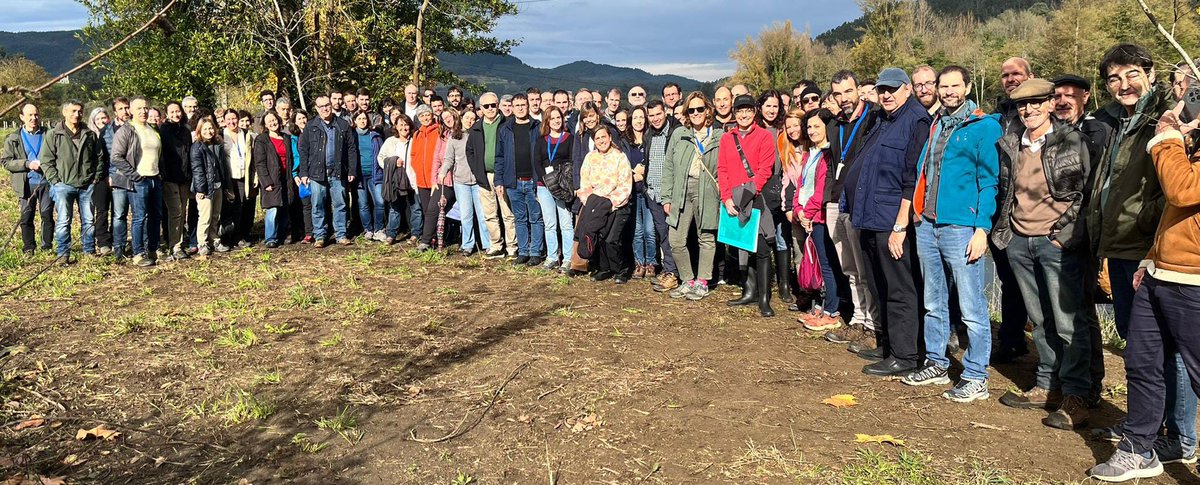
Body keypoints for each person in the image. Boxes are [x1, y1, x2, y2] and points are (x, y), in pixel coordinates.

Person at [1088, 101, 1200, 482]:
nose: (1185, 104)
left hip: (1194, 280)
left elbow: (1183, 191)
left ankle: (1178, 442)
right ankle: (1139, 448)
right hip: (1161, 272)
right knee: (1141, 362)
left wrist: (1166, 137)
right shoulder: (1193, 145)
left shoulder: (1175, 144)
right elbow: (1176, 215)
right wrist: (1149, 259)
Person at [990, 78, 1094, 430]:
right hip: (1020, 240)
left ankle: (1077, 395)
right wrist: (1008, 233)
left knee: (1068, 322)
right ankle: (1046, 383)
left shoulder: (1073, 141)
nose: (1028, 109)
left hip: (1056, 244)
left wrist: (1064, 235)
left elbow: (1085, 194)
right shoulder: (1010, 144)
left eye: (1036, 102)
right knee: (1039, 318)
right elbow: (1006, 193)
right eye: (1022, 104)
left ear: (1051, 104)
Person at [904, 66, 1002, 403]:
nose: (947, 91)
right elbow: (925, 171)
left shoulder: (983, 127)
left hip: (961, 227)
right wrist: (917, 213)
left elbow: (989, 182)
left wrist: (982, 229)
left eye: (953, 85)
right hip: (928, 224)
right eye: (942, 86)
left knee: (971, 304)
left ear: (967, 86)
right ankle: (936, 362)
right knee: (933, 300)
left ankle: (976, 375)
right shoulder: (937, 124)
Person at [844, 67, 930, 376]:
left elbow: (912, 179)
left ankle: (906, 355)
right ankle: (888, 345)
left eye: (893, 89)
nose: (886, 94)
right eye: (882, 90)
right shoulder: (881, 119)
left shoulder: (916, 121)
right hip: (869, 217)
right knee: (879, 284)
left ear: (908, 89)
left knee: (899, 288)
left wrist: (899, 227)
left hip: (891, 220)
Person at [1089, 43, 1171, 342]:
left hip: (1149, 247)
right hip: (1117, 244)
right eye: (1114, 79)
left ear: (1151, 73)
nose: (1124, 85)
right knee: (1129, 331)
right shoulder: (1111, 120)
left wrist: (1145, 218)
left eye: (1132, 74)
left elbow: (1181, 184)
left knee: (1159, 342)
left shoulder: (1166, 117)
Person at [821, 70, 881, 354]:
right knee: (849, 267)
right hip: (837, 200)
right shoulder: (835, 124)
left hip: (862, 202)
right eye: (838, 94)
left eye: (848, 91)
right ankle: (858, 319)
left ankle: (874, 325)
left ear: (858, 89)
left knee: (866, 266)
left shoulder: (874, 119)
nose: (844, 98)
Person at [718, 93, 781, 317]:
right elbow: (722, 170)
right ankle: (749, 290)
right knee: (743, 246)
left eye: (748, 110)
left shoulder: (764, 136)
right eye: (739, 110)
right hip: (734, 200)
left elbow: (766, 169)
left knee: (762, 249)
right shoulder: (727, 139)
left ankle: (764, 298)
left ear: (754, 112)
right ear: (735, 114)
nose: (744, 114)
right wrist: (726, 198)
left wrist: (749, 192)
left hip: (756, 198)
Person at [661, 92, 721, 300]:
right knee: (676, 239)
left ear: (708, 110)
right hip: (681, 189)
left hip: (707, 190)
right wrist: (666, 197)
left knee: (706, 237)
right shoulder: (679, 134)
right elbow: (668, 167)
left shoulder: (718, 136)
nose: (695, 113)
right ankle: (687, 280)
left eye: (700, 109)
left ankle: (702, 282)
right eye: (691, 110)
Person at [790, 108, 840, 328]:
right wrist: (798, 209)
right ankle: (819, 306)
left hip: (820, 216)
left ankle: (831, 310)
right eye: (809, 126)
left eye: (817, 126)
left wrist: (807, 212)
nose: (811, 131)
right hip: (808, 215)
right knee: (819, 264)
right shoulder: (810, 154)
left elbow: (821, 189)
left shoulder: (828, 155)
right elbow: (800, 185)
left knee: (828, 265)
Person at [40, 101, 104, 263]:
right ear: (64, 112)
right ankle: (63, 253)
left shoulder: (89, 134)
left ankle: (89, 251)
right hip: (63, 185)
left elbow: (99, 157)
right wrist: (56, 181)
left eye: (80, 111)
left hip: (86, 185)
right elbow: (46, 161)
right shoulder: (54, 134)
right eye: (73, 111)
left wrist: (95, 178)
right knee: (63, 220)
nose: (77, 114)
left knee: (89, 220)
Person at [299, 94, 360, 247]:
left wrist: (352, 170)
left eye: (327, 105)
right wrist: (304, 173)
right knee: (318, 205)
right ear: (316, 108)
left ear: (331, 106)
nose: (325, 108)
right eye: (321, 106)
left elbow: (352, 149)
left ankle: (341, 235)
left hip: (338, 172)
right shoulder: (311, 126)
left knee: (341, 204)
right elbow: (304, 150)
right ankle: (320, 236)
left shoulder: (343, 125)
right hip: (316, 173)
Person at [110, 97, 165, 267]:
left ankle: (154, 248)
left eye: (146, 107)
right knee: (139, 217)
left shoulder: (152, 129)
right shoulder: (126, 131)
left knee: (155, 216)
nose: (143, 111)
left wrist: (160, 173)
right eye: (139, 108)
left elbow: (159, 154)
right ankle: (138, 253)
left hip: (155, 178)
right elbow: (116, 157)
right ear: (132, 111)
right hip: (139, 180)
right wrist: (134, 176)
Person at [578, 125, 634, 283]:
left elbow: (625, 185)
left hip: (617, 204)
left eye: (604, 137)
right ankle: (605, 268)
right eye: (598, 138)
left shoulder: (620, 157)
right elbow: (584, 182)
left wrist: (611, 203)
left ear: (610, 137)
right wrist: (591, 202)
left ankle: (621, 269)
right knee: (600, 236)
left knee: (612, 239)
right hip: (596, 205)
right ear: (594, 142)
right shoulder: (590, 158)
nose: (601, 140)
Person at [467, 93, 519, 259]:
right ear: (480, 109)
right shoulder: (476, 128)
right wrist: (477, 170)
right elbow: (470, 151)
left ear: (498, 105)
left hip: (503, 175)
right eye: (486, 106)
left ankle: (512, 246)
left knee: (508, 213)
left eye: (493, 105)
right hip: (484, 176)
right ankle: (496, 245)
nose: (490, 108)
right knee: (489, 214)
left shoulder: (508, 124)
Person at [495, 93, 544, 265]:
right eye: (517, 105)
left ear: (528, 106)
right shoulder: (505, 129)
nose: (521, 108)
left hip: (533, 180)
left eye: (524, 104)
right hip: (513, 182)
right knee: (520, 218)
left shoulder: (537, 127)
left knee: (536, 218)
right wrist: (498, 181)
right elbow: (499, 157)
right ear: (512, 107)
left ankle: (536, 252)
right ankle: (523, 252)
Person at [2, 103, 53, 255]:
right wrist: (27, 164)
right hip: (25, 184)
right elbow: (6, 161)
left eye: (36, 114)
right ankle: (29, 248)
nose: (33, 118)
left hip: (46, 182)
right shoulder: (13, 138)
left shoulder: (48, 134)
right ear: (21, 117)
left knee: (47, 215)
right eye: (30, 115)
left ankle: (47, 247)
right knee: (26, 217)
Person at [439, 109, 490, 255]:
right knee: (466, 214)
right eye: (467, 117)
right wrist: (443, 171)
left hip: (478, 181)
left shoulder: (480, 135)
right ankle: (468, 244)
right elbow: (449, 158)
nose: (469, 121)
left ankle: (487, 244)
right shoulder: (454, 137)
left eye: (473, 118)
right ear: (461, 118)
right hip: (461, 181)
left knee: (482, 214)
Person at [642, 100, 682, 291]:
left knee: (675, 235)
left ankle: (675, 274)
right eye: (652, 115)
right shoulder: (649, 134)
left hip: (671, 194)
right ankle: (669, 271)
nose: (656, 118)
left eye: (659, 114)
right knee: (663, 235)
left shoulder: (676, 131)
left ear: (665, 112)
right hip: (653, 193)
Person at [534, 106, 575, 272]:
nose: (557, 121)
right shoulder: (541, 140)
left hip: (562, 187)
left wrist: (561, 182)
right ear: (547, 121)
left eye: (559, 117)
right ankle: (552, 257)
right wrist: (545, 180)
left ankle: (568, 258)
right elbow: (536, 162)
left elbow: (571, 162)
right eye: (552, 118)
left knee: (566, 224)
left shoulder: (569, 138)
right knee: (550, 224)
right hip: (544, 187)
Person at [253, 112, 296, 248]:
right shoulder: (262, 140)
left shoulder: (286, 138)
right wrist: (266, 182)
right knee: (272, 209)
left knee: (284, 207)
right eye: (269, 121)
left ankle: (281, 235)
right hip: (271, 179)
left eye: (274, 120)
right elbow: (259, 163)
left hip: (286, 177)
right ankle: (271, 237)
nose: (273, 123)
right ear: (265, 125)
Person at [158, 101, 193, 261]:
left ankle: (177, 241)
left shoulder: (186, 130)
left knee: (182, 212)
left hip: (184, 177)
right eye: (171, 112)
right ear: (167, 114)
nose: (175, 114)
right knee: (175, 212)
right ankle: (175, 246)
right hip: (170, 177)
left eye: (177, 111)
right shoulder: (164, 130)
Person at [190, 117, 227, 256]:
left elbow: (222, 167)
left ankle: (214, 240)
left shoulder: (217, 144)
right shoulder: (197, 147)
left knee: (215, 216)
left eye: (210, 128)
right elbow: (197, 169)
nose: (208, 131)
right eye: (205, 129)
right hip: (205, 188)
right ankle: (202, 243)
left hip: (218, 185)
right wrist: (200, 189)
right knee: (205, 217)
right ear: (199, 130)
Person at [626, 106, 656, 279]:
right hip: (632, 191)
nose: (638, 120)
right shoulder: (625, 141)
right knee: (637, 231)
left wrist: (644, 173)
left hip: (648, 191)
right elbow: (621, 166)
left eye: (641, 117)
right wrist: (633, 174)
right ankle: (639, 263)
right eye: (635, 117)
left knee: (649, 230)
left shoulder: (650, 138)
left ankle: (651, 263)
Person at [100, 97, 132, 257]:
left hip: (136, 176)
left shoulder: (137, 127)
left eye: (127, 108)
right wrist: (107, 176)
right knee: (119, 214)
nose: (125, 111)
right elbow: (103, 156)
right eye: (121, 109)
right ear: (115, 112)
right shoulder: (106, 131)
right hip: (117, 177)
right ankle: (119, 247)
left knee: (140, 214)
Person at [221, 110, 256, 249]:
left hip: (243, 176)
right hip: (228, 177)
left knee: (241, 207)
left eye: (234, 118)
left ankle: (239, 236)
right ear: (224, 121)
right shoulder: (221, 135)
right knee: (227, 208)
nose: (232, 122)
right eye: (228, 119)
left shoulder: (246, 134)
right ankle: (226, 236)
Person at [378, 114, 415, 244]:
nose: (404, 128)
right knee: (395, 207)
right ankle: (391, 234)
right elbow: (381, 157)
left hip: (412, 178)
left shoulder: (415, 140)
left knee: (415, 207)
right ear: (396, 127)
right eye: (401, 125)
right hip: (395, 180)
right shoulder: (390, 141)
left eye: (406, 125)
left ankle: (416, 233)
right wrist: (392, 164)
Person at [406, 105, 441, 246]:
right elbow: (413, 154)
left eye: (427, 115)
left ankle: (438, 237)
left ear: (432, 115)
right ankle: (431, 237)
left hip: (435, 179)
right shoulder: (417, 134)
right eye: (422, 116)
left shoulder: (439, 130)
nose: (425, 118)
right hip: (422, 179)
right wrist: (417, 169)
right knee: (427, 210)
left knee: (436, 210)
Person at [350, 111, 385, 241]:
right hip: (359, 175)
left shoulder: (375, 136)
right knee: (363, 204)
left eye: (364, 118)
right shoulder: (352, 136)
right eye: (359, 118)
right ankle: (368, 229)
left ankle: (379, 229)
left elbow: (382, 154)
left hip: (375, 174)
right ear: (355, 121)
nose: (362, 121)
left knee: (380, 202)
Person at [289, 110, 314, 243]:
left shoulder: (314, 133)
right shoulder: (293, 138)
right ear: (294, 122)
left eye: (304, 117)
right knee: (306, 204)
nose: (302, 121)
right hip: (300, 174)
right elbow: (293, 157)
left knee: (320, 202)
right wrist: (295, 174)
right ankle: (308, 232)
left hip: (315, 172)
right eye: (299, 119)